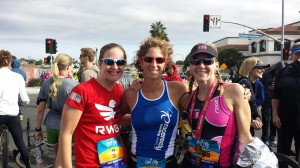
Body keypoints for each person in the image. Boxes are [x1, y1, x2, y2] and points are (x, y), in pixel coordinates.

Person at [178, 43, 276, 167]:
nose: (201, 65)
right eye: (195, 61)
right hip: (191, 163)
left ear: (216, 65)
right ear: (190, 66)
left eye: (208, 61)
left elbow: (245, 137)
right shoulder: (187, 97)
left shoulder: (233, 91)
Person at [56, 43, 128, 168]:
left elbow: (115, 120)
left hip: (118, 162)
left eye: (120, 62)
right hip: (90, 163)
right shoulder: (82, 91)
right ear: (100, 63)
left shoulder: (119, 90)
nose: (115, 67)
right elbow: (66, 133)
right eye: (109, 62)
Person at [121, 37, 186, 168]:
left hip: (166, 163)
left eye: (159, 60)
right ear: (141, 61)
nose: (154, 64)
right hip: (136, 162)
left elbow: (202, 99)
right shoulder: (131, 94)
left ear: (165, 63)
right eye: (149, 59)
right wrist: (140, 119)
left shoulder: (178, 89)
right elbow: (118, 118)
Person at [35, 53, 78, 157]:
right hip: (68, 124)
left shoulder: (46, 83)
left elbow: (40, 110)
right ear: (68, 67)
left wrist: (38, 129)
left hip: (52, 124)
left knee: (58, 156)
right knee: (67, 157)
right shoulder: (74, 85)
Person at [0, 50, 31, 168]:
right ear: (9, 62)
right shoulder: (18, 77)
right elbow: (24, 98)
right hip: (12, 114)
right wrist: (25, 102)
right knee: (20, 143)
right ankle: (28, 166)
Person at [273, 42, 300, 164]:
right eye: (298, 54)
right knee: (283, 150)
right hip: (285, 117)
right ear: (292, 55)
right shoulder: (284, 72)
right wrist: (274, 114)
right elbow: (276, 96)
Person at [237, 57, 269, 136]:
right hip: (242, 127)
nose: (263, 70)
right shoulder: (244, 82)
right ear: (250, 69)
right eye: (260, 67)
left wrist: (257, 117)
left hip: (247, 125)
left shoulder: (253, 83)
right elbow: (239, 107)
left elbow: (252, 104)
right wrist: (251, 120)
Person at [260, 61, 284, 147]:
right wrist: (267, 87)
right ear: (275, 69)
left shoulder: (282, 75)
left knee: (274, 120)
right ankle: (265, 138)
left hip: (276, 100)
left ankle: (272, 138)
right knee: (266, 120)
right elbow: (260, 85)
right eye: (279, 70)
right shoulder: (266, 74)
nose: (280, 72)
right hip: (266, 99)